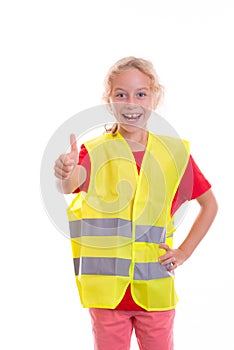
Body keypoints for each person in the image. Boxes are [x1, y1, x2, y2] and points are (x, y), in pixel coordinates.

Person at [54, 57, 218, 350]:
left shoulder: (174, 154)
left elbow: (210, 205)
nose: (131, 103)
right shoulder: (94, 152)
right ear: (109, 100)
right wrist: (65, 172)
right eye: (121, 94)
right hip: (106, 295)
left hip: (154, 291)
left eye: (141, 93)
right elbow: (69, 186)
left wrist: (184, 252)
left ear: (155, 97)